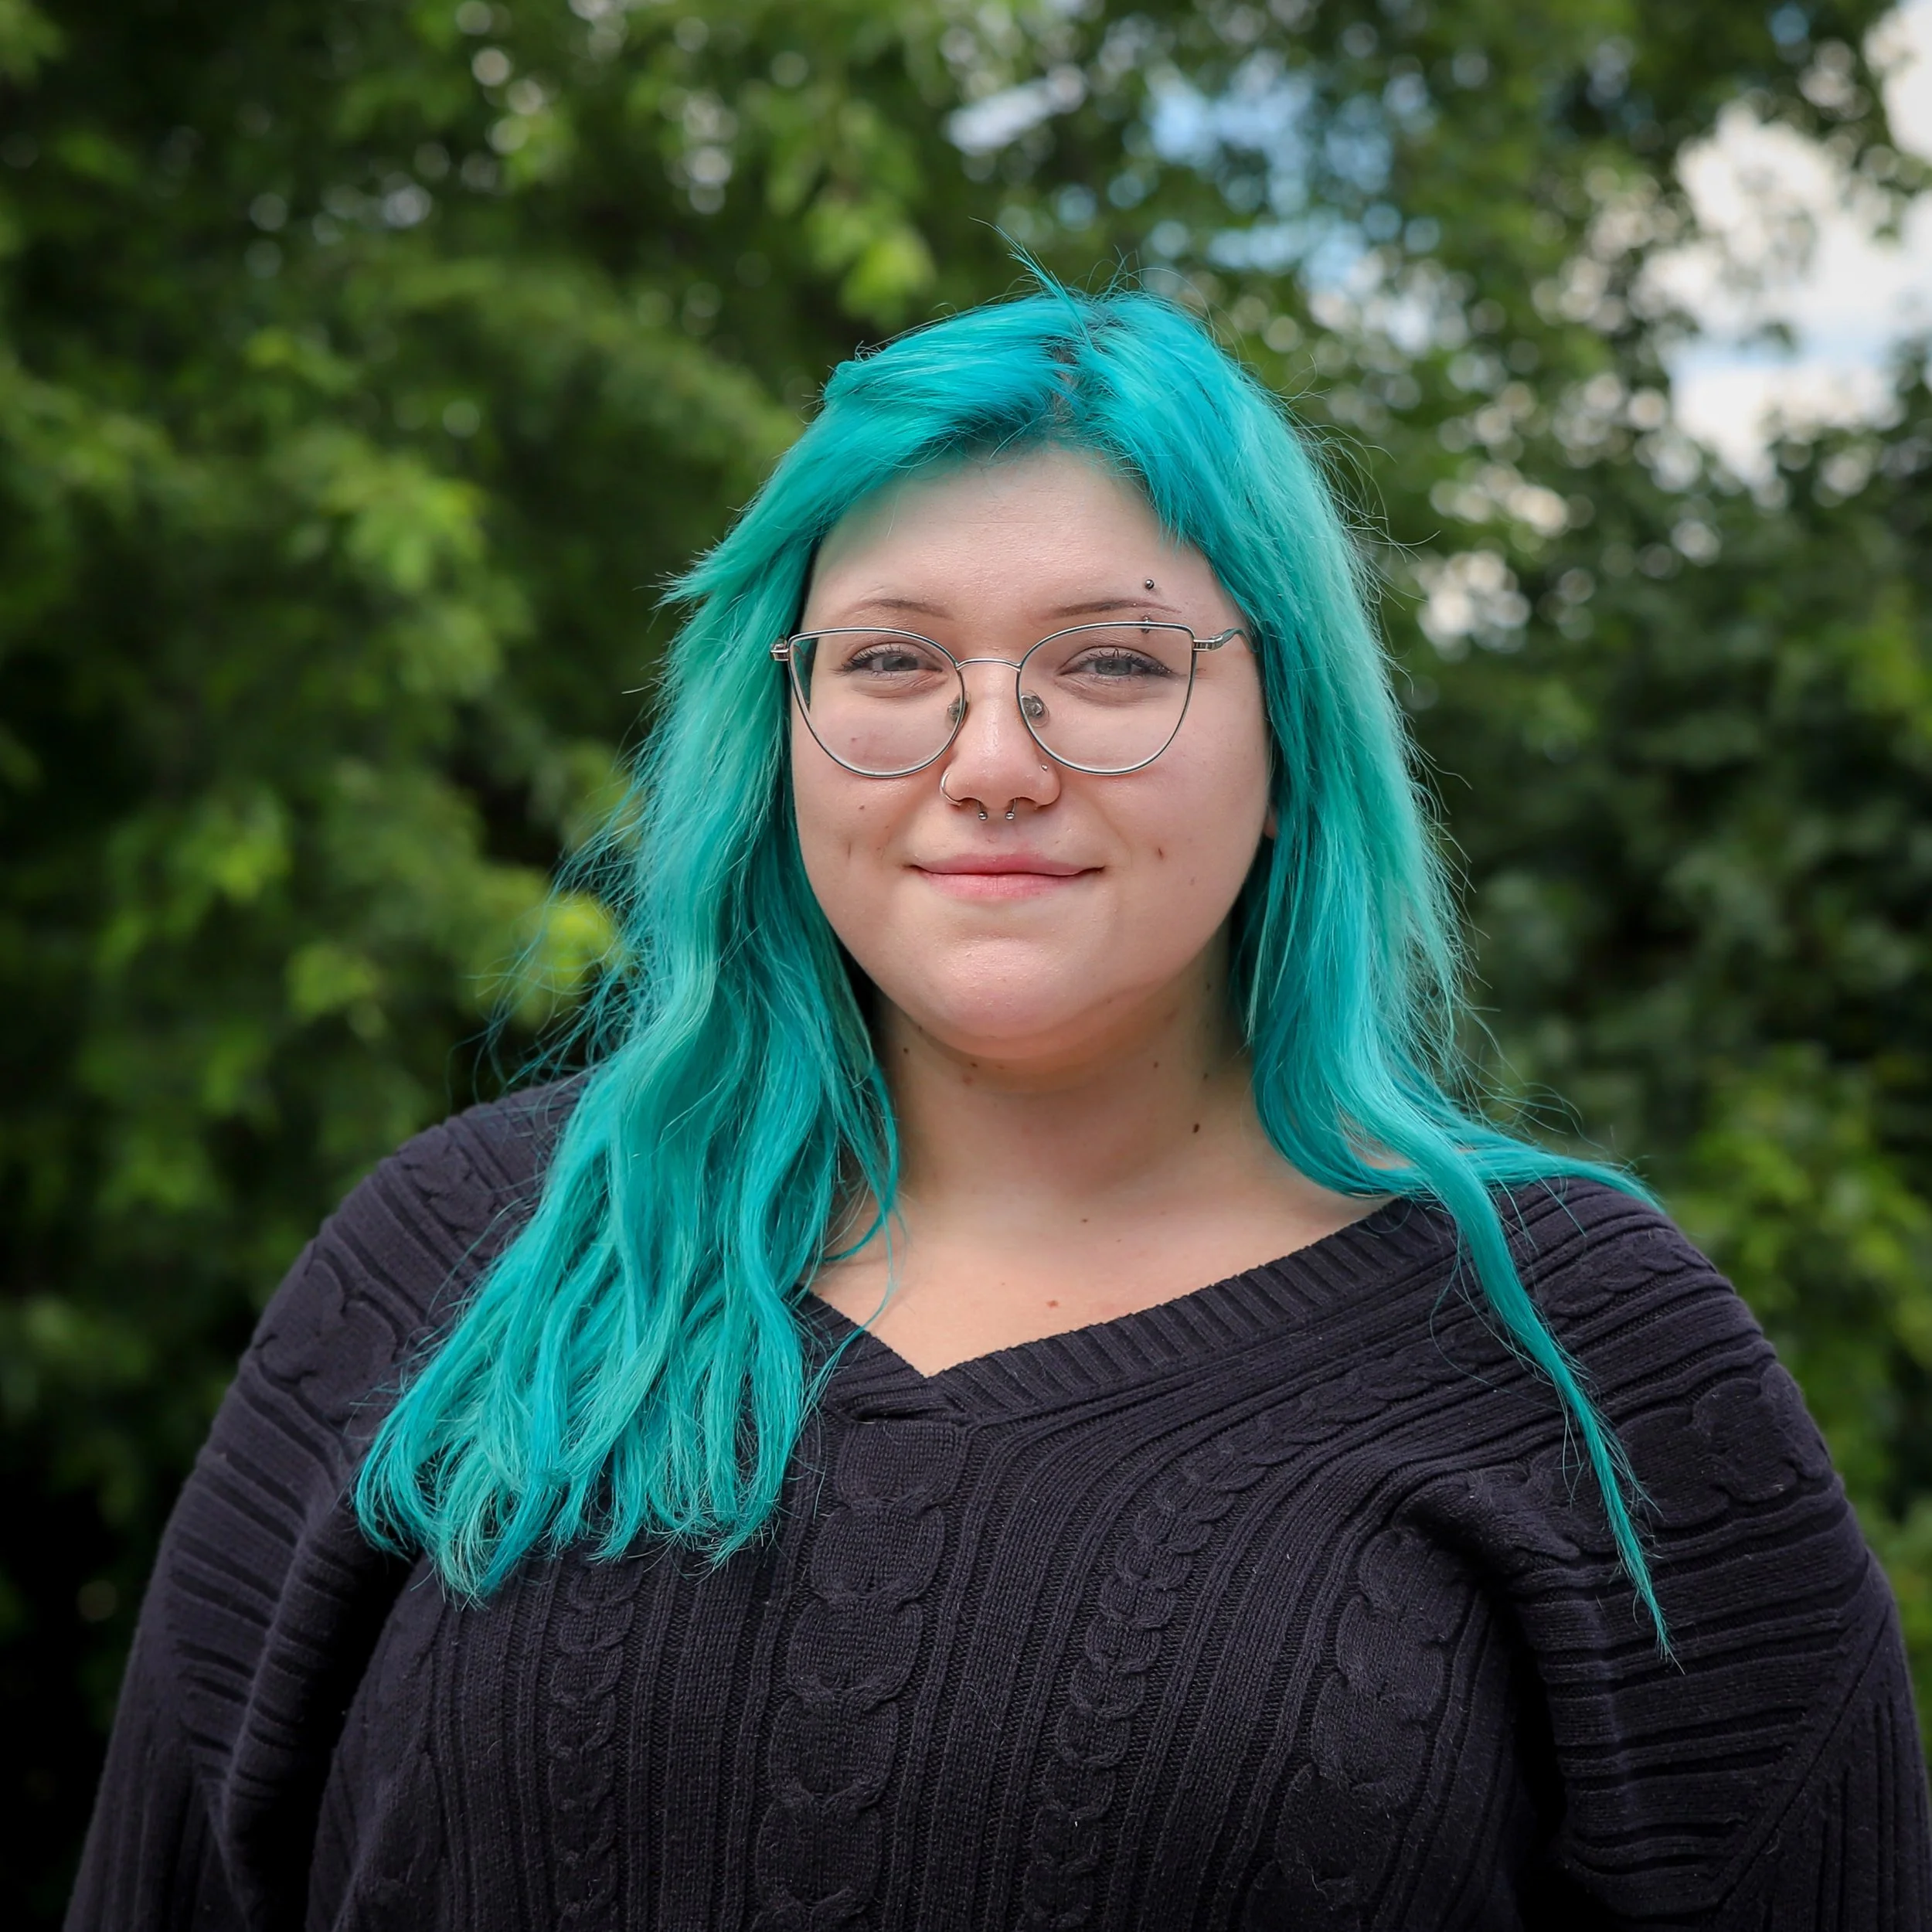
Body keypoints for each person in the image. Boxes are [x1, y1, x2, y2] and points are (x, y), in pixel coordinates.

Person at [70, 284, 1929, 1930]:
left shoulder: (1580, 1356)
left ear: (1288, 746)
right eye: (889, 661)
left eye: (1109, 663)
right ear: (781, 726)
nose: (989, 765)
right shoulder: (451, 1264)